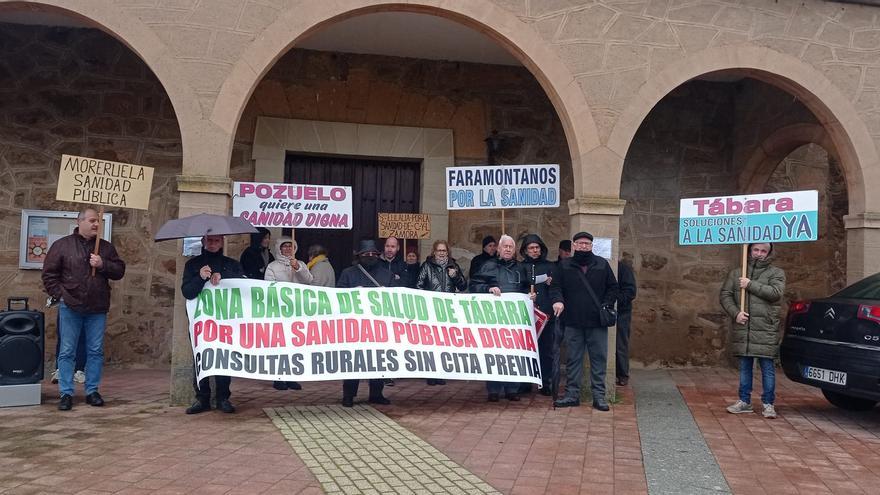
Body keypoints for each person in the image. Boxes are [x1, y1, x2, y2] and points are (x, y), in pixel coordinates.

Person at [42, 207, 126, 411]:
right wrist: (61, 295)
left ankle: (92, 391)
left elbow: (119, 271)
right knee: (67, 350)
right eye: (91, 220)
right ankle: (66, 393)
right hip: (70, 305)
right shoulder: (62, 246)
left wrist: (102, 263)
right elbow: (49, 274)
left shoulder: (105, 248)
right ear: (79, 222)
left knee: (95, 350)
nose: (96, 224)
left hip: (97, 307)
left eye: (98, 220)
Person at [551, 232, 618, 411]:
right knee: (573, 359)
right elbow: (556, 287)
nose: (583, 246)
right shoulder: (564, 266)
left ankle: (599, 397)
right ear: (573, 245)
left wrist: (606, 304)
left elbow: (613, 288)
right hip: (573, 321)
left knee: (599, 359)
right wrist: (558, 300)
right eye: (580, 243)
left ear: (591, 246)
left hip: (597, 322)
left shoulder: (602, 264)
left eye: (587, 244)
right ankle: (572, 394)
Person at [720, 242, 785, 419]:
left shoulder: (776, 273)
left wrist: (750, 284)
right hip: (744, 327)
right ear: (749, 250)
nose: (759, 253)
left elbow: (775, 293)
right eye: (756, 249)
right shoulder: (736, 273)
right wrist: (736, 313)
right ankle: (744, 401)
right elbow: (725, 295)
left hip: (765, 328)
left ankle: (768, 403)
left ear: (769, 253)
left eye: (763, 251)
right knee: (745, 367)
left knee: (767, 367)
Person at [181, 234, 244, 414]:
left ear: (222, 242)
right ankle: (202, 398)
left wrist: (223, 277)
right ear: (203, 242)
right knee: (201, 358)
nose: (213, 244)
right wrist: (200, 278)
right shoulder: (192, 265)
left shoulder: (231, 264)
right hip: (201, 321)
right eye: (210, 241)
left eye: (217, 241)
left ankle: (223, 398)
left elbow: (242, 285)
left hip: (225, 320)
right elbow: (187, 292)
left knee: (223, 358)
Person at [470, 235, 532, 402]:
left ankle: (513, 389)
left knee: (514, 354)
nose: (508, 249)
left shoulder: (521, 268)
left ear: (515, 250)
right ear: (498, 249)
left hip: (515, 319)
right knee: (496, 354)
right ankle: (494, 390)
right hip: (494, 319)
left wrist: (530, 295)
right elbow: (474, 286)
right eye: (504, 246)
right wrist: (488, 288)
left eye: (511, 246)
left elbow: (527, 288)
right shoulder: (488, 266)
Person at [338, 239, 396, 407]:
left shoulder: (387, 274)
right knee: (353, 361)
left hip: (379, 325)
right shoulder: (349, 273)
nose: (370, 256)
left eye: (373, 254)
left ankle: (376, 393)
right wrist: (353, 293)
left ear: (378, 256)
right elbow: (339, 295)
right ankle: (348, 395)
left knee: (378, 360)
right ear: (359, 256)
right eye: (366, 254)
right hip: (355, 325)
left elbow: (396, 298)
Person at [265, 237, 313, 391]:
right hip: (279, 311)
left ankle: (292, 376)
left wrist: (298, 268)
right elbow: (268, 287)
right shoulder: (272, 267)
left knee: (295, 345)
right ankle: (278, 376)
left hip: (297, 311)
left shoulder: (301, 264)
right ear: (279, 248)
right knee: (279, 345)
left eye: (290, 246)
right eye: (284, 246)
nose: (287, 249)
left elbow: (309, 281)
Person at [417, 240, 467, 386]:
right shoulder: (427, 266)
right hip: (431, 310)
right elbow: (419, 286)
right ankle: (431, 374)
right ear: (434, 252)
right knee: (431, 343)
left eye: (444, 251)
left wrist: (455, 276)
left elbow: (463, 286)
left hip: (447, 311)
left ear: (447, 252)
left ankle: (441, 372)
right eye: (439, 250)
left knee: (444, 342)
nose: (441, 253)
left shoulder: (454, 266)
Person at [519, 234, 556, 395]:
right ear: (525, 251)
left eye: (537, 248)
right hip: (526, 315)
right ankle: (525, 382)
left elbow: (556, 288)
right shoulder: (520, 267)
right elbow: (517, 286)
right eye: (531, 248)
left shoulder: (550, 266)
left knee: (545, 350)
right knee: (525, 349)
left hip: (545, 314)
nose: (535, 251)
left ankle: (545, 382)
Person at [615, 258, 638, 387]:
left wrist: (615, 299)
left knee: (620, 343)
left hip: (621, 311)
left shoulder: (623, 269)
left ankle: (622, 374)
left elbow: (630, 291)